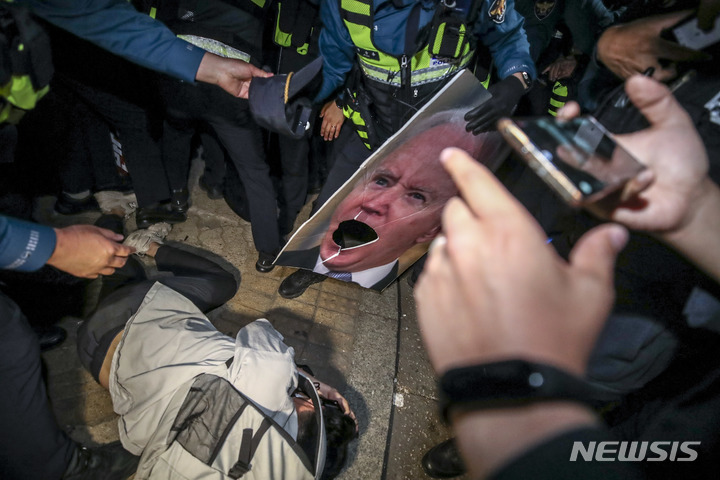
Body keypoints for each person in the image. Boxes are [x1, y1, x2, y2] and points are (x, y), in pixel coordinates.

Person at [416, 75, 720, 479]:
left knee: (601, 378)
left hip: (663, 303)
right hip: (597, 222)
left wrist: (510, 429)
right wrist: (696, 209)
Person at [277, 0, 536, 298]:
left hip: (434, 141)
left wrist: (516, 81)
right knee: (330, 205)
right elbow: (335, 65)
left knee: (424, 216)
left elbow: (509, 39)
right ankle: (313, 268)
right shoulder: (343, 4)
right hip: (371, 130)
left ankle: (412, 268)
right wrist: (302, 95)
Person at [76, 233, 358, 478]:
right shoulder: (237, 466)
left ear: (310, 407)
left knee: (224, 281)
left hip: (128, 314)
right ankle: (119, 266)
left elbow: (259, 329)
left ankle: (137, 245)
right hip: (96, 361)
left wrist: (315, 384)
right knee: (124, 276)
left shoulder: (273, 375)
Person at [277, 112, 507, 295]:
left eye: (417, 196)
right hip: (373, 125)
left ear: (431, 230)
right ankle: (312, 269)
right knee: (325, 206)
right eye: (382, 180)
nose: (375, 203)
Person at [0, 216, 139, 480]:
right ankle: (60, 468)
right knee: (11, 347)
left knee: (15, 332)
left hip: (105, 340)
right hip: (107, 338)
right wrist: (58, 246)